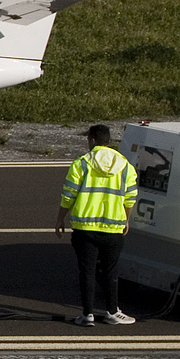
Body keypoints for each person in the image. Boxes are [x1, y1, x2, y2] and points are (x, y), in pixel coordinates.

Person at [55, 124, 137, 327]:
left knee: (87, 272)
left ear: (92, 140)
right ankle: (112, 311)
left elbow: (69, 194)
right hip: (113, 230)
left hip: (85, 230)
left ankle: (87, 314)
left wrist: (60, 218)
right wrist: (125, 219)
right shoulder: (125, 165)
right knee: (110, 272)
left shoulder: (81, 164)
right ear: (109, 140)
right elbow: (130, 197)